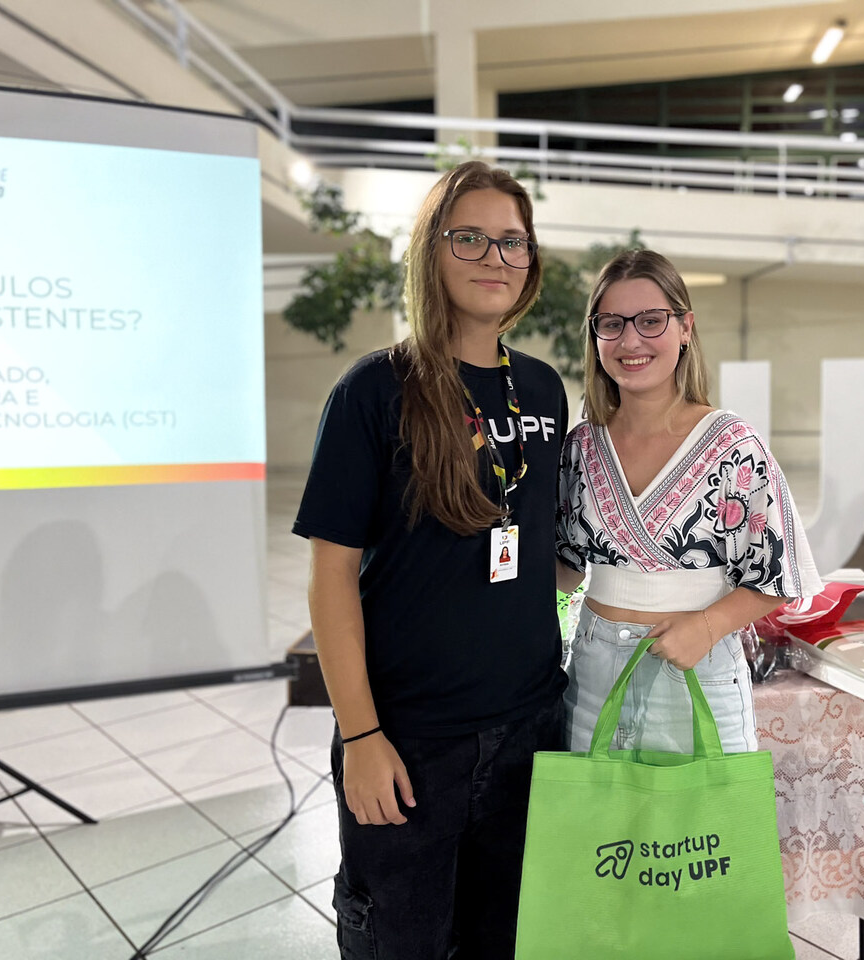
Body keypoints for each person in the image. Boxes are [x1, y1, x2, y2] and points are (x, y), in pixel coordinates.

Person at [293, 161, 569, 960]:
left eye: (512, 241)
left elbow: (550, 550)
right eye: (469, 237)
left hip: (528, 731)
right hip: (409, 742)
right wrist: (361, 735)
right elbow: (332, 577)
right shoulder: (375, 391)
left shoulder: (543, 390)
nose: (495, 257)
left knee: (506, 942)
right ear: (431, 251)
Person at [556, 249, 822, 754]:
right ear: (595, 336)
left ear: (685, 328)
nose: (630, 341)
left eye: (651, 321)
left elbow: (780, 577)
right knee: (590, 808)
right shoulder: (580, 446)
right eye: (611, 324)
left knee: (707, 810)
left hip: (699, 671)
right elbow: (564, 571)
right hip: (591, 678)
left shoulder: (732, 444)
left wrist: (706, 626)